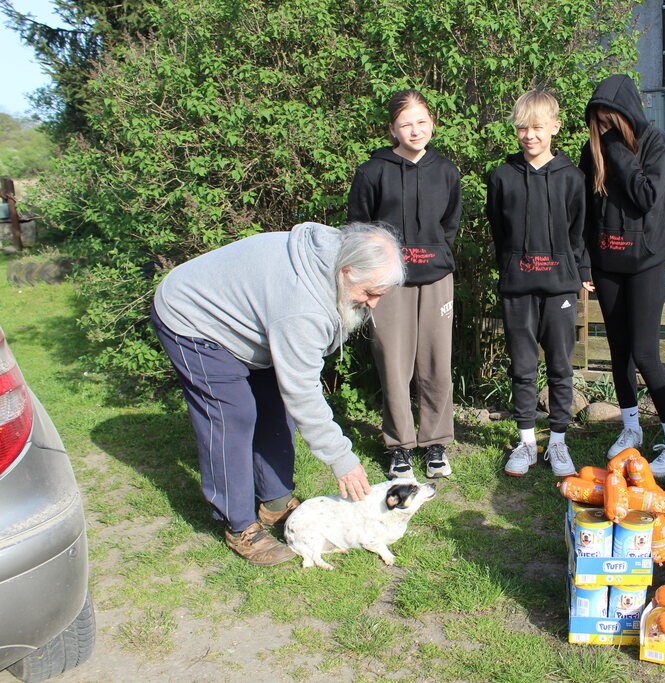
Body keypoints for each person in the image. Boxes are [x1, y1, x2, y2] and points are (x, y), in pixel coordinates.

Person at [151, 222, 405, 566]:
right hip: (193, 319)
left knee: (274, 404)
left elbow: (292, 388)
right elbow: (303, 389)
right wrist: (342, 459)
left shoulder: (334, 255)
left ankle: (275, 501)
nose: (373, 304)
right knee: (233, 415)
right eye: (370, 292)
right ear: (346, 271)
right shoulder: (303, 305)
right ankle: (239, 525)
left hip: (253, 323)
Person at [579, 74, 665, 478]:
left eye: (612, 118)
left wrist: (615, 148)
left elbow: (646, 197)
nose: (604, 126)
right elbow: (585, 213)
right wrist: (584, 262)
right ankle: (631, 429)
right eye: (599, 120)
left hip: (644, 264)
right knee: (619, 351)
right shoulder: (591, 151)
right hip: (606, 264)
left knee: (645, 353)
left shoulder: (655, 143)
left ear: (628, 114)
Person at [348, 89, 462, 481]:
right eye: (406, 124)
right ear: (392, 129)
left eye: (422, 121)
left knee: (436, 362)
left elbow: (450, 225)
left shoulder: (446, 171)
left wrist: (439, 256)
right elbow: (359, 227)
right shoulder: (372, 171)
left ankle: (435, 443)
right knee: (394, 364)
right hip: (387, 282)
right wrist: (370, 276)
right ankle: (399, 446)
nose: (415, 130)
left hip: (436, 279)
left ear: (432, 122)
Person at [486, 89, 591, 478]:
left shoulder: (572, 178)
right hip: (518, 285)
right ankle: (527, 441)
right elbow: (499, 228)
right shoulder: (501, 177)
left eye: (537, 127)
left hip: (560, 286)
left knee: (561, 365)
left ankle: (559, 442)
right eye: (522, 128)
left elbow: (579, 230)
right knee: (523, 365)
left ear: (555, 128)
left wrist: (582, 272)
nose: (529, 135)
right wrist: (511, 264)